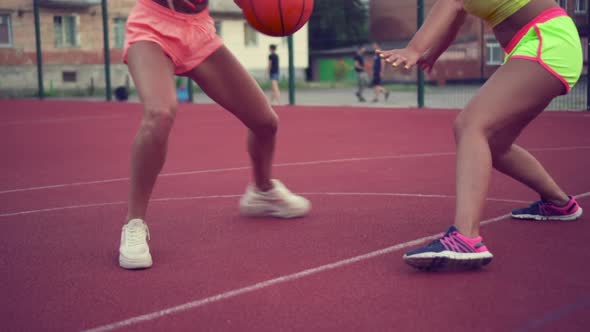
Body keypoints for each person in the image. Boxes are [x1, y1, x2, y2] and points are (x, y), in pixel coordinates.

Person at [379, 0, 583, 271]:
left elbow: (452, 4)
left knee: (471, 125)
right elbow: (457, 15)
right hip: (539, 43)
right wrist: (432, 53)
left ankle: (466, 237)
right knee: (495, 144)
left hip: (547, 41)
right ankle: (559, 203)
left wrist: (414, 49)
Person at [118, 0, 311, 270]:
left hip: (199, 32)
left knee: (265, 122)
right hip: (152, 28)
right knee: (159, 114)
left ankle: (262, 191)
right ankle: (134, 222)